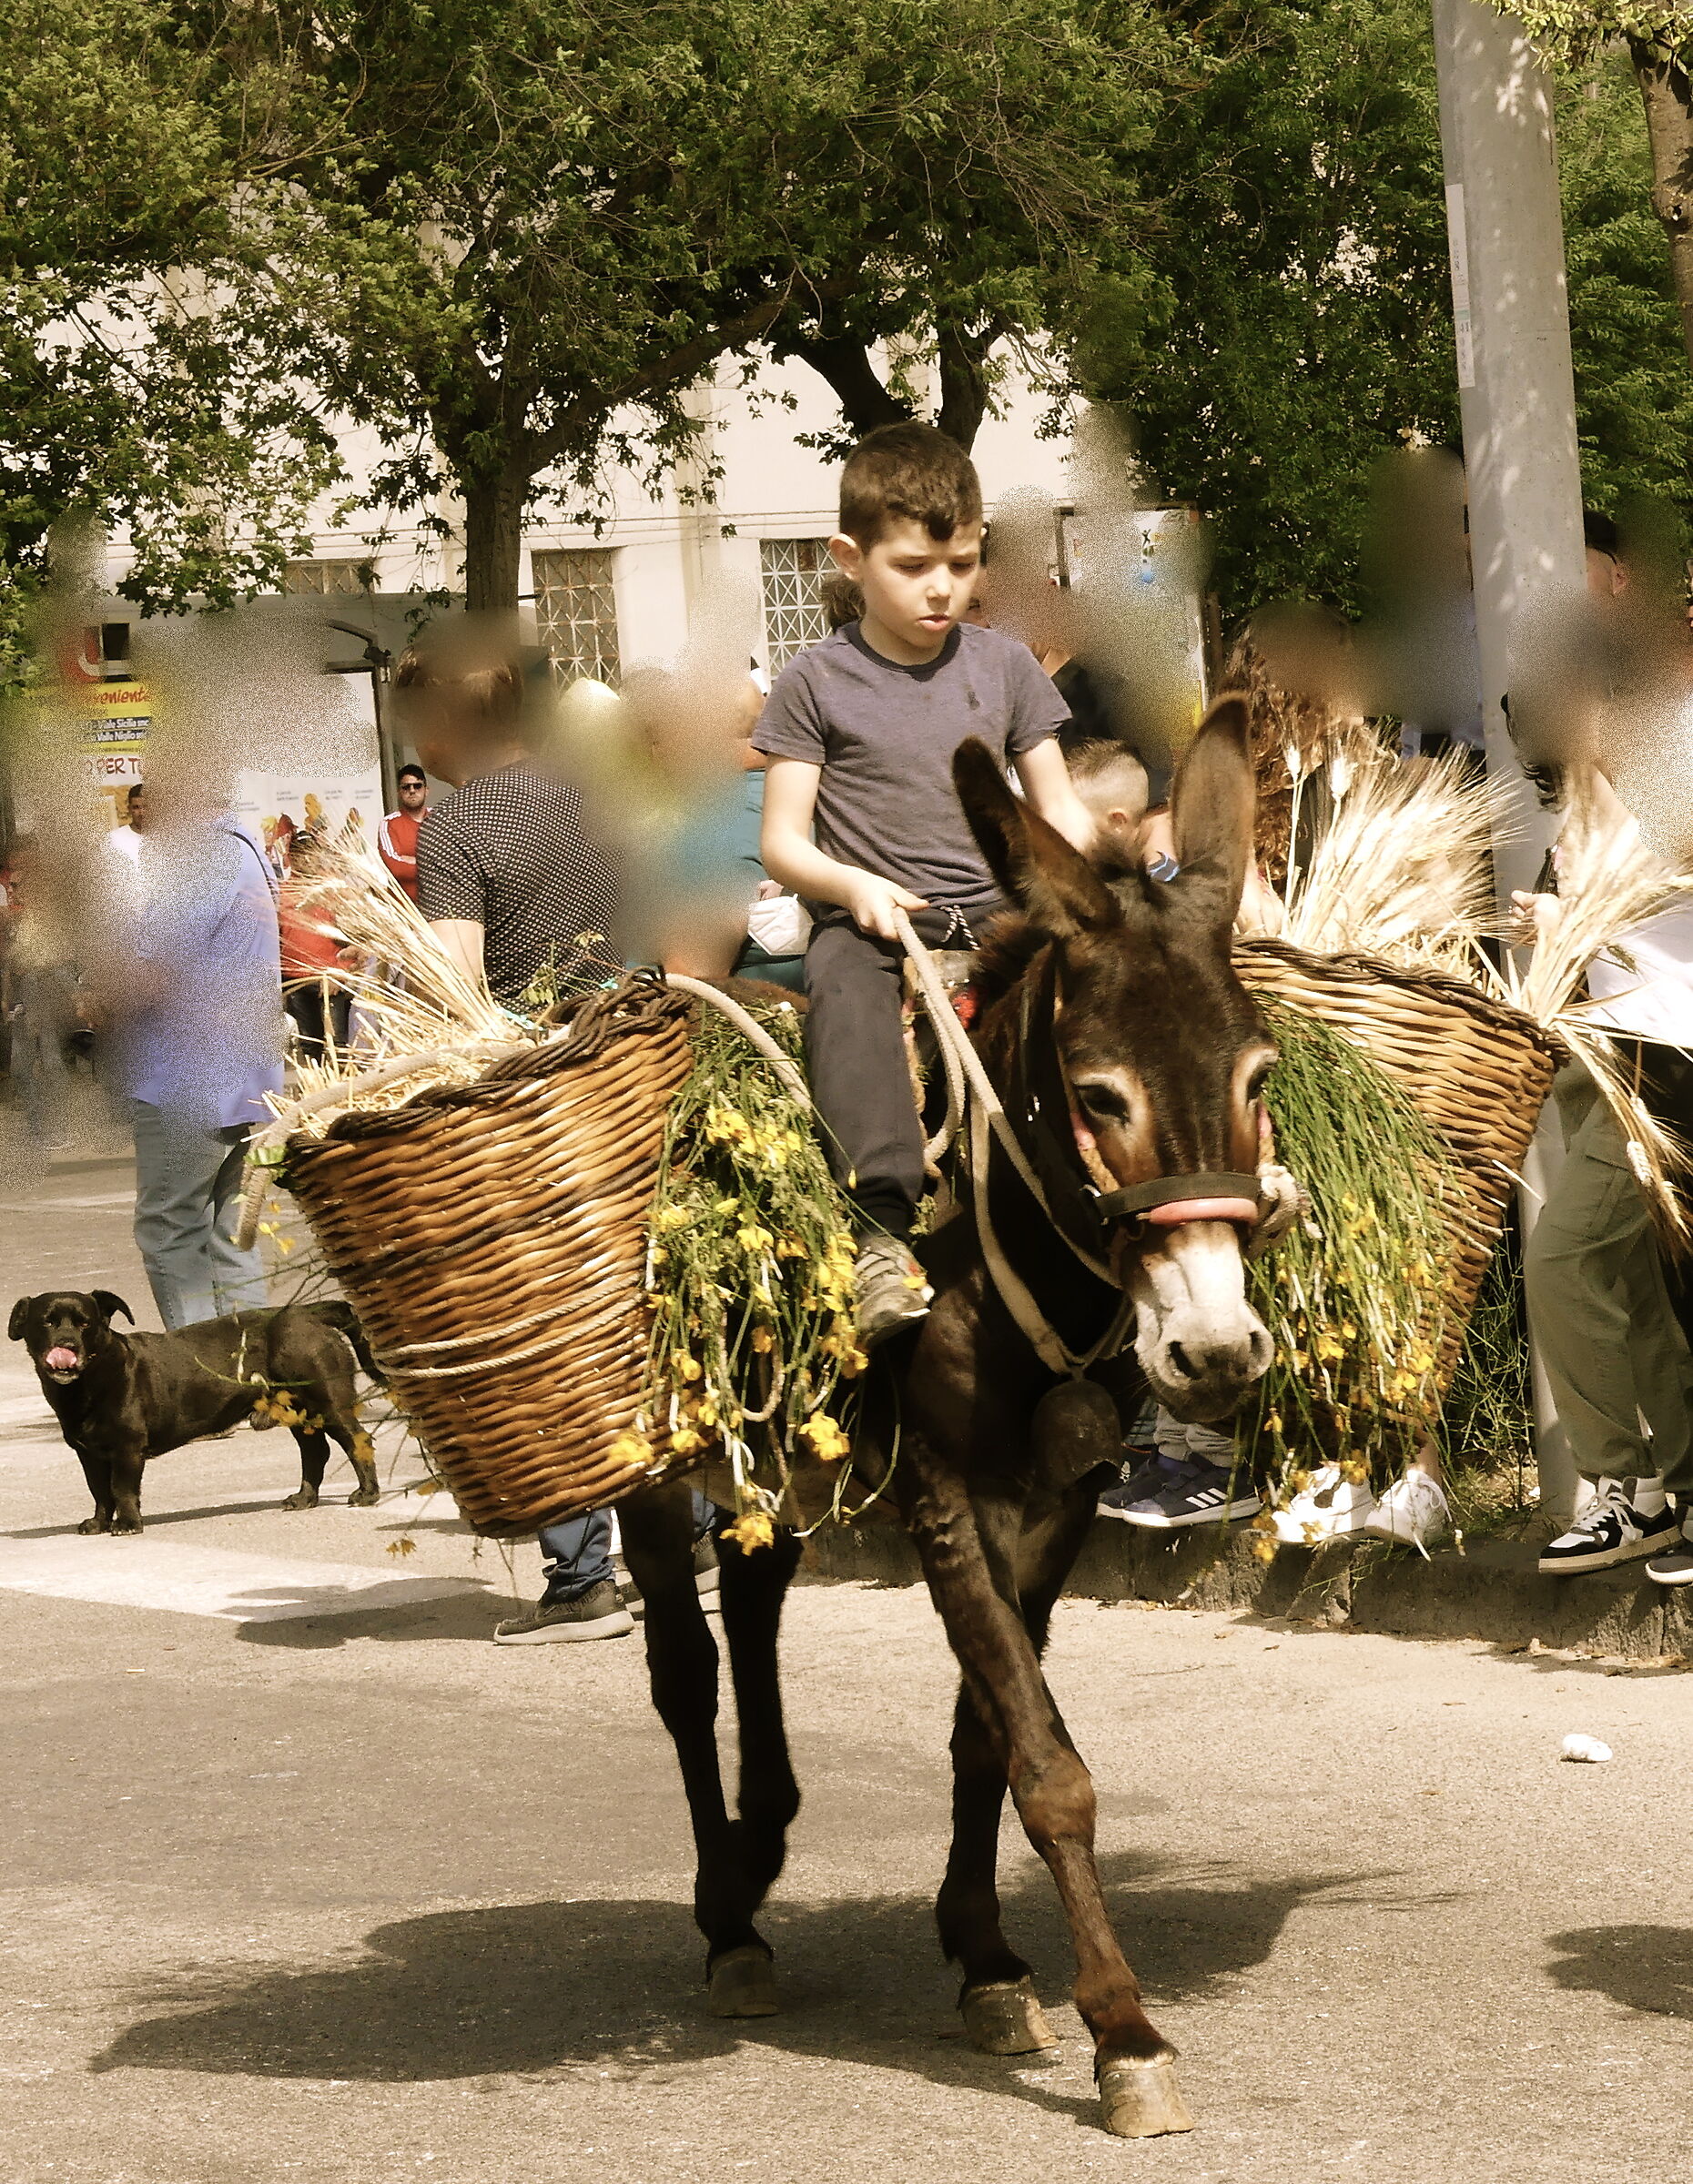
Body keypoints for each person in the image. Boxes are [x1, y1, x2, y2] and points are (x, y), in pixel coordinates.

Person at [395, 634, 711, 1641]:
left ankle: (582, 1581)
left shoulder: (456, 832)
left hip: (536, 1102)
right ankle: (696, 1528)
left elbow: (456, 989)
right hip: (637, 1067)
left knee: (545, 1322)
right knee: (646, 1297)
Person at [754, 421, 1096, 1344]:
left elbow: (1056, 807)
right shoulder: (814, 681)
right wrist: (852, 884)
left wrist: (1096, 873)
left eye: (962, 561)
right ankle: (879, 1231)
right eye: (913, 565)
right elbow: (783, 840)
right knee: (842, 989)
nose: (943, 586)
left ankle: (1124, 1208)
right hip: (877, 927)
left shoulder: (1008, 665)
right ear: (849, 557)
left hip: (1002, 920)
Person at [1515, 765, 1693, 1582]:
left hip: (1665, 1052)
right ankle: (1672, 1498)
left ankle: (1617, 1479)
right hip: (1607, 1049)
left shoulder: (1668, 759)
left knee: (1562, 1259)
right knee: (1633, 1288)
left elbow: (1651, 888)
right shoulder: (1584, 792)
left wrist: (1569, 916)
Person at [111, 804, 284, 1329]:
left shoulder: (199, 857)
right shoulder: (244, 845)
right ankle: (252, 1378)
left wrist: (86, 1004)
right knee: (227, 1233)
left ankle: (198, 1385)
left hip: (187, 1076)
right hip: (237, 1073)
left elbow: (153, 975)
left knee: (171, 1230)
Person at [278, 830, 351, 1061]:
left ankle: (344, 1094)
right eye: (299, 854)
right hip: (295, 980)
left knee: (337, 1046)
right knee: (310, 1048)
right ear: (291, 858)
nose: (305, 859)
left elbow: (355, 937)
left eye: (310, 853)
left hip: (329, 980)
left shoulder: (335, 890)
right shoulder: (281, 892)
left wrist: (342, 972)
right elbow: (275, 938)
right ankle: (318, 1095)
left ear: (318, 855)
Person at [378, 764, 430, 901]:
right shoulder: (389, 823)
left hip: (440, 907)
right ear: (399, 793)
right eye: (406, 787)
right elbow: (395, 868)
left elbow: (454, 862)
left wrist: (412, 860)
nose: (412, 791)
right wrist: (433, 864)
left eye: (417, 786)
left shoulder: (441, 819)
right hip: (405, 911)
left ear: (426, 790)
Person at [107, 782, 148, 864]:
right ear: (129, 808)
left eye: (145, 806)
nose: (141, 812)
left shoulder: (167, 839)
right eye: (136, 807)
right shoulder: (115, 838)